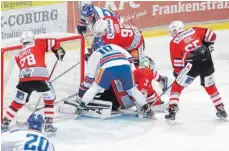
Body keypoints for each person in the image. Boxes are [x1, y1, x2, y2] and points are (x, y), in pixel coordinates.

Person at [1, 31, 65, 133]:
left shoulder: (18, 55)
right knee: (49, 99)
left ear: (22, 41)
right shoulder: (38, 42)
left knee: (17, 102)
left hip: (24, 80)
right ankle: (48, 125)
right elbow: (54, 42)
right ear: (32, 38)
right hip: (39, 78)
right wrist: (59, 50)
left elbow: (25, 66)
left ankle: (5, 123)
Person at [165, 21, 228, 122]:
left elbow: (177, 62)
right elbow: (212, 35)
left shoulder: (174, 42)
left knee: (177, 86)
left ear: (176, 29)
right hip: (207, 59)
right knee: (210, 86)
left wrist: (177, 73)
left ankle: (172, 109)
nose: (172, 34)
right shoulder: (193, 30)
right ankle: (220, 108)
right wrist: (208, 44)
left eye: (172, 31)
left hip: (192, 64)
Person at [77, 37, 153, 118]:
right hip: (125, 66)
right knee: (132, 90)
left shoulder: (95, 54)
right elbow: (130, 58)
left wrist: (82, 92)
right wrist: (132, 73)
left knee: (95, 88)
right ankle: (146, 107)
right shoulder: (113, 46)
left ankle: (81, 105)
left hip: (108, 68)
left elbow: (90, 78)